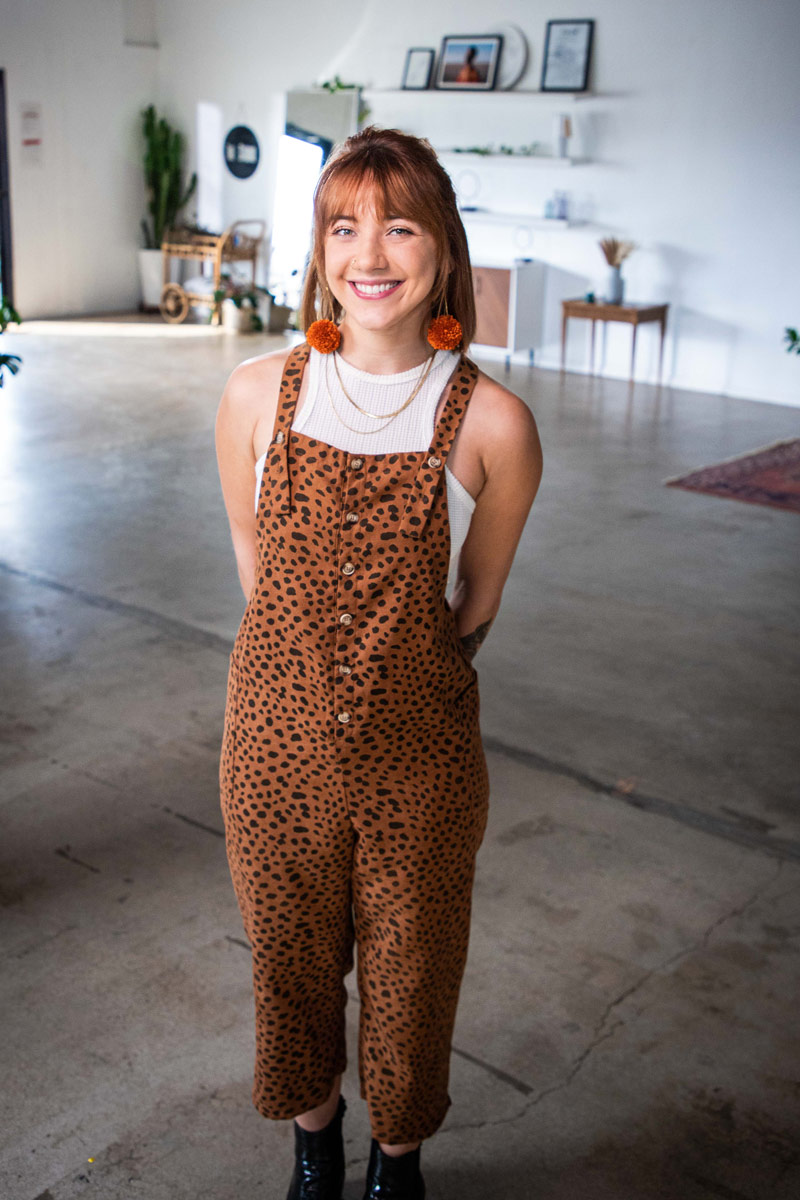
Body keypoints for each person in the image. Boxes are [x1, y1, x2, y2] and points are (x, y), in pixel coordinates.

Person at [215, 125, 542, 1200]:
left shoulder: (492, 423)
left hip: (421, 761)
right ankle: (314, 1146)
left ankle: (394, 1163)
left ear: (439, 248)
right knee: (290, 966)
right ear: (318, 250)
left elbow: (475, 601)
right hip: (273, 748)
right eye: (343, 225)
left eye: (399, 225)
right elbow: (254, 570)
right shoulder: (258, 394)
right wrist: (309, 691)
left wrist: (395, 681)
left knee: (412, 977)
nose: (370, 252)